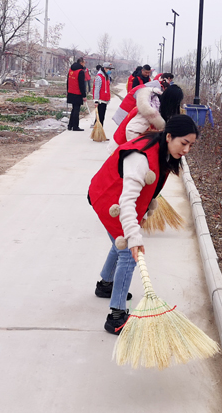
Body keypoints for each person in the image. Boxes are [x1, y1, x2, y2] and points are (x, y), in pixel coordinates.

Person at [88, 114, 199, 334]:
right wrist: (134, 236)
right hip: (108, 199)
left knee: (120, 244)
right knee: (128, 254)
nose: (186, 150)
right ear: (169, 136)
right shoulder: (141, 157)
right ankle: (116, 316)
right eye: (184, 143)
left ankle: (105, 285)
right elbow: (127, 201)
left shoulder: (162, 150)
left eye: (191, 145)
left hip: (114, 197)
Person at [115, 84, 183, 146]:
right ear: (171, 102)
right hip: (123, 146)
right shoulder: (149, 111)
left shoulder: (160, 106)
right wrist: (141, 149)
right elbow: (131, 131)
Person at [66, 57, 88, 131]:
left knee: (74, 109)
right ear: (81, 63)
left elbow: (68, 81)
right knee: (76, 109)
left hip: (71, 92)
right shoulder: (80, 71)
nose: (84, 64)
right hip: (77, 93)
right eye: (84, 62)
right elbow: (82, 84)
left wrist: (67, 91)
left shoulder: (70, 70)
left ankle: (70, 125)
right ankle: (75, 126)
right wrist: (84, 95)